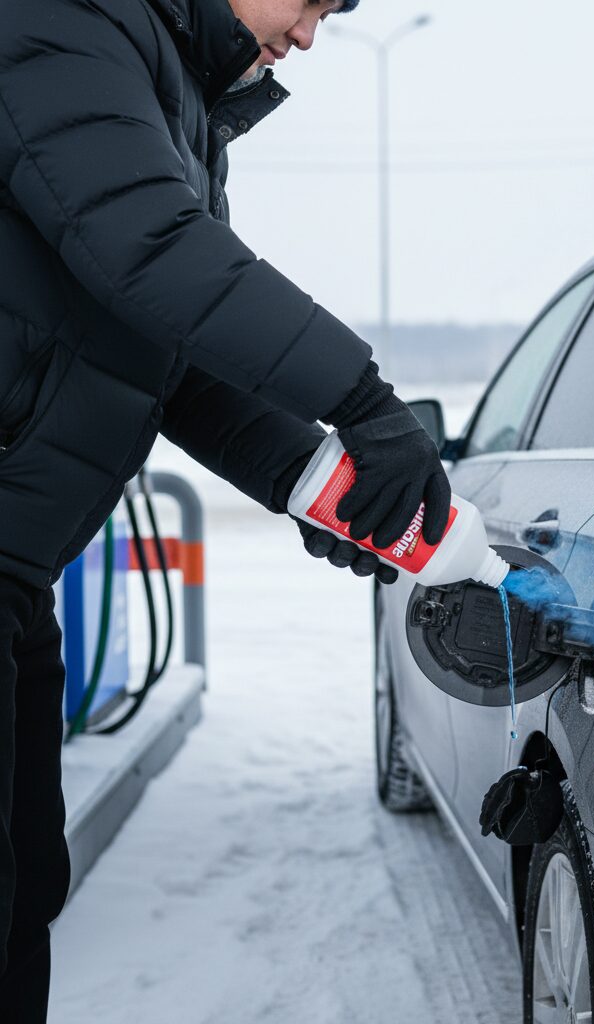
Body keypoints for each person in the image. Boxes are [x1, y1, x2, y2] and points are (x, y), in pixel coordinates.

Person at [0, 0, 451, 1018]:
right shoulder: (61, 22)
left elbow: (178, 350)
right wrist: (362, 398)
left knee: (28, 888)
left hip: (19, 571)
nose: (307, 36)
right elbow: (149, 251)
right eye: (314, 4)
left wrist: (315, 485)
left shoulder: (180, 103)